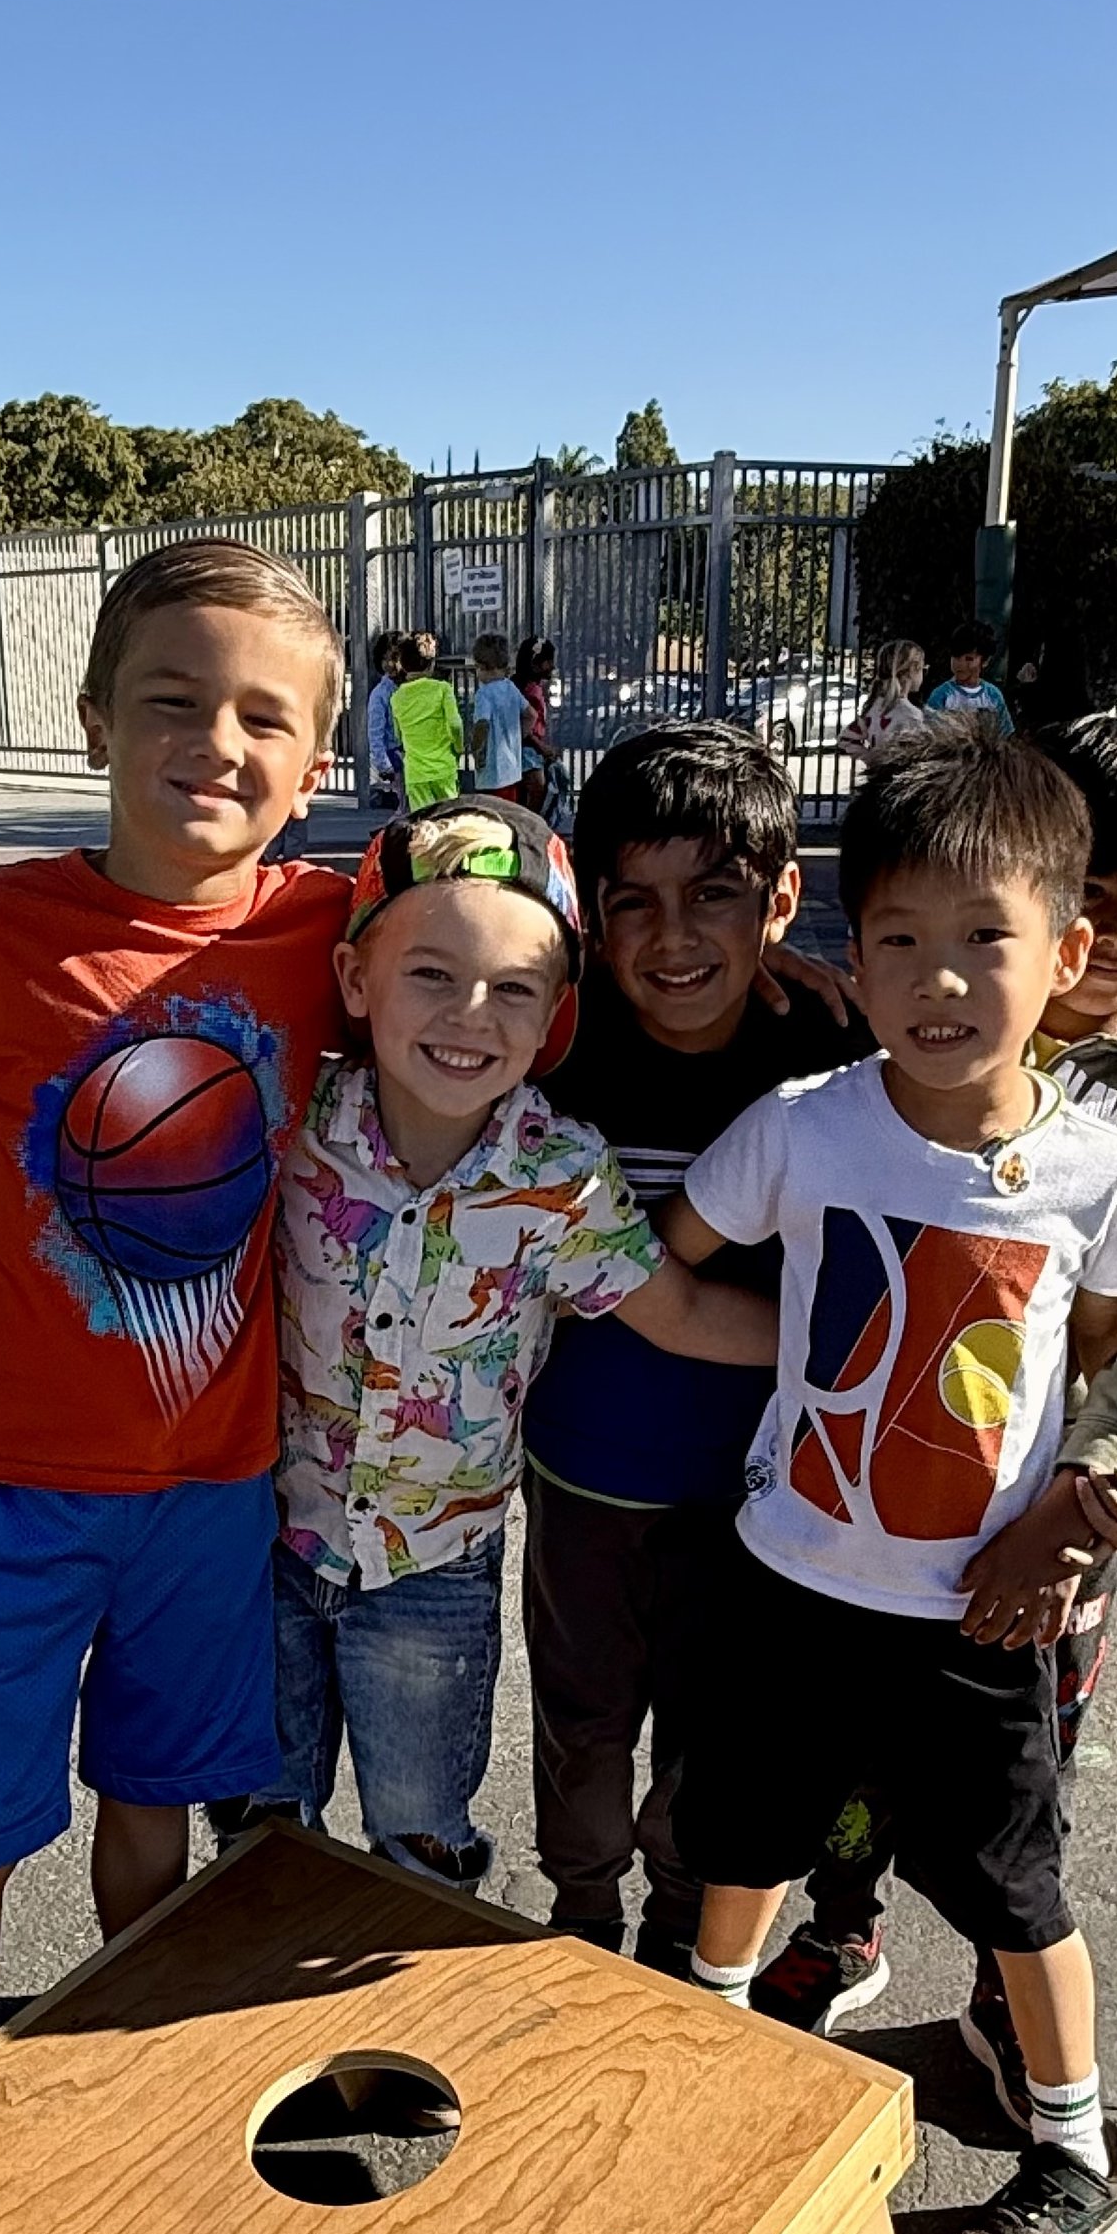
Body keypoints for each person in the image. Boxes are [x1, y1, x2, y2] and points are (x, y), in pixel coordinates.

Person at [663, 727, 1117, 2234]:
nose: (937, 979)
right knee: (737, 1837)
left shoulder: (1095, 1166)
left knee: (1017, 1886)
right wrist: (782, 1362)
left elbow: (1109, 1350)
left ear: (1068, 952)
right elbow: (664, 1266)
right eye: (898, 939)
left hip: (977, 1619)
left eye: (983, 939)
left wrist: (1106, 1496)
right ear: (850, 949)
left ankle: (1078, 2150)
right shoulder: (803, 1127)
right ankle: (701, 2067)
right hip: (786, 1586)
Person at [0, 539, 358, 2104]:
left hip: (212, 1492)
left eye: (264, 718)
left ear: (316, 762)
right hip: (9, 1487)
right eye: (172, 699)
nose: (217, 741)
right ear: (90, 717)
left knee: (155, 1816)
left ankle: (130, 2089)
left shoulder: (340, 940)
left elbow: (513, 953)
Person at [782, 715, 1117, 2067]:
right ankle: (844, 1919)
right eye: (1097, 897)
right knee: (858, 1741)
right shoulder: (938, 1025)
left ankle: (1009, 1999)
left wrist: (1085, 1497)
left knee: (1012, 1779)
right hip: (885, 1481)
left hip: (1043, 1507)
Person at [255, 799, 777, 1881]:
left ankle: (391, 2039)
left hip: (433, 1570)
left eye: (512, 990)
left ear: (552, 1023)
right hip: (265, 1545)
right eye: (431, 974)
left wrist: (863, 1350)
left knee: (421, 1837)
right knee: (260, 1825)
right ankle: (259, 2035)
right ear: (357, 982)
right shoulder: (289, 1117)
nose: (470, 1015)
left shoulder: (562, 1174)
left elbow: (675, 1310)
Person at [518, 723, 867, 1973]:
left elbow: (994, 1048)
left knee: (712, 1736)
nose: (673, 941)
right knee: (582, 1722)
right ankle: (577, 1915)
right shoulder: (548, 1045)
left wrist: (860, 984)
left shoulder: (832, 1058)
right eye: (635, 905)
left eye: (714, 897)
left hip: (754, 1500)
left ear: (780, 900)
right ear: (589, 920)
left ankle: (681, 1930)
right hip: (578, 1479)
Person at [390, 631, 464, 810]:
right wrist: (459, 747)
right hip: (443, 768)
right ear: (431, 664)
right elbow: (455, 724)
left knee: (423, 823)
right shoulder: (442, 689)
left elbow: (398, 735)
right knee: (449, 820)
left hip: (416, 772)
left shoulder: (397, 697)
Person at [841, 640, 929, 768]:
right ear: (912, 670)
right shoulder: (911, 715)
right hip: (900, 783)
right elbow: (921, 756)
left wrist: (871, 758)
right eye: (923, 669)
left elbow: (846, 738)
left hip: (876, 781)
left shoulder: (874, 708)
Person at [467, 633, 529, 803]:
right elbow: (531, 714)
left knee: (490, 816)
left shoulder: (484, 694)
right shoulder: (511, 688)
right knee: (509, 812)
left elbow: (482, 725)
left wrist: (477, 752)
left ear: (484, 667)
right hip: (512, 768)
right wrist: (519, 736)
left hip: (491, 772)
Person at [924, 621, 1014, 736]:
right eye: (956, 657)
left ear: (985, 661)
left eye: (969, 659)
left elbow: (1005, 735)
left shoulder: (993, 696)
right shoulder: (941, 695)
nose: (959, 664)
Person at [514, 634, 558, 811]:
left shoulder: (533, 688)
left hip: (532, 748)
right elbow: (524, 727)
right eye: (548, 661)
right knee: (537, 787)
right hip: (527, 749)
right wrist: (542, 747)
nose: (552, 666)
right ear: (535, 664)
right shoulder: (527, 690)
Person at [365, 632, 404, 809]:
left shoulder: (410, 689)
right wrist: (385, 766)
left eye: (395, 658)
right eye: (385, 659)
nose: (390, 664)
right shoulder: (380, 694)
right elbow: (375, 734)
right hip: (393, 757)